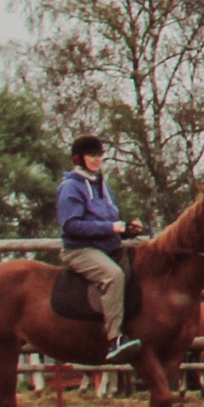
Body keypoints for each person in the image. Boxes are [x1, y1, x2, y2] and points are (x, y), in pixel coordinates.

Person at [54, 135, 146, 360]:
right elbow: (72, 226)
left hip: (106, 246)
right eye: (92, 156)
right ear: (79, 159)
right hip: (80, 250)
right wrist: (113, 226)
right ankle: (114, 338)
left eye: (99, 155)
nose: (97, 160)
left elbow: (106, 222)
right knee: (113, 275)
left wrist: (126, 228)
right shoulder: (70, 188)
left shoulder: (102, 185)